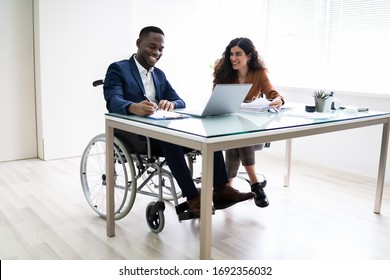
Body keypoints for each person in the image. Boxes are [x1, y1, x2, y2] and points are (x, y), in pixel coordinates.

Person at [103, 26, 254, 216]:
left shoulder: (159, 74)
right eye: (152, 46)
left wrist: (170, 103)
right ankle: (192, 197)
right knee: (170, 138)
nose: (157, 52)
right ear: (139, 44)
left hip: (159, 129)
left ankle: (221, 190)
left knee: (207, 132)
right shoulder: (119, 69)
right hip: (136, 136)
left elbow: (179, 100)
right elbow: (113, 100)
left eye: (161, 49)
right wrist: (134, 107)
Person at [213, 37, 285, 208]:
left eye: (238, 54)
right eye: (231, 54)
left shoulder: (259, 73)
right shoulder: (225, 72)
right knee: (237, 134)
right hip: (228, 126)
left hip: (254, 131)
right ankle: (254, 184)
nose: (233, 58)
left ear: (249, 55)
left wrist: (279, 100)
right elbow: (216, 98)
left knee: (238, 135)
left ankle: (226, 188)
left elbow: (273, 94)